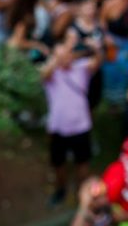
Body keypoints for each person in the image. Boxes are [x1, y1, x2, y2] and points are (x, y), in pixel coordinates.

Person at [40, 28, 103, 206]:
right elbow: (44, 73)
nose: (66, 58)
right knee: (58, 163)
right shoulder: (51, 74)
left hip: (81, 126)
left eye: (69, 54)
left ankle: (80, 191)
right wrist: (56, 57)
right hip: (58, 127)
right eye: (62, 54)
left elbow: (97, 62)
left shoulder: (81, 68)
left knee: (82, 162)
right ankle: (61, 189)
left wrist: (96, 49)